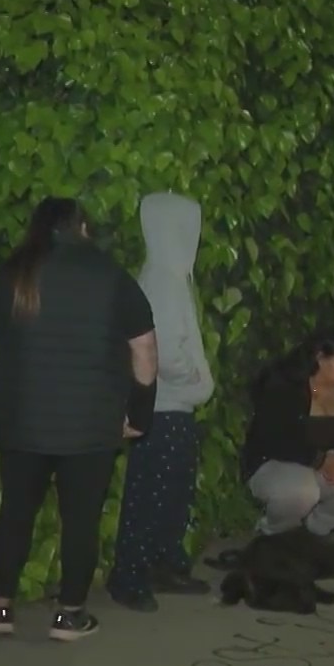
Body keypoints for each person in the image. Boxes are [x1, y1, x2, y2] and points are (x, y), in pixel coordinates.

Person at [0, 198, 157, 638]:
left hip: (21, 419)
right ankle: (69, 613)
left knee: (15, 514)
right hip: (89, 423)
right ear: (81, 227)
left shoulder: (13, 274)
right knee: (80, 520)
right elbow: (145, 350)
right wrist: (140, 412)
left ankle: (1, 608)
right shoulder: (110, 276)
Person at [107, 191, 215, 612]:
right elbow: (164, 350)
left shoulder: (167, 277)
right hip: (164, 406)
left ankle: (163, 561)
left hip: (172, 406)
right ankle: (130, 573)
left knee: (171, 493)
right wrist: (195, 380)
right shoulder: (163, 282)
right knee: (151, 493)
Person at [242, 330, 334, 535]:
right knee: (302, 491)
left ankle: (315, 528)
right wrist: (319, 460)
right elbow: (273, 438)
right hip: (281, 462)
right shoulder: (285, 387)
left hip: (330, 464)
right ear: (319, 359)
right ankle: (276, 530)